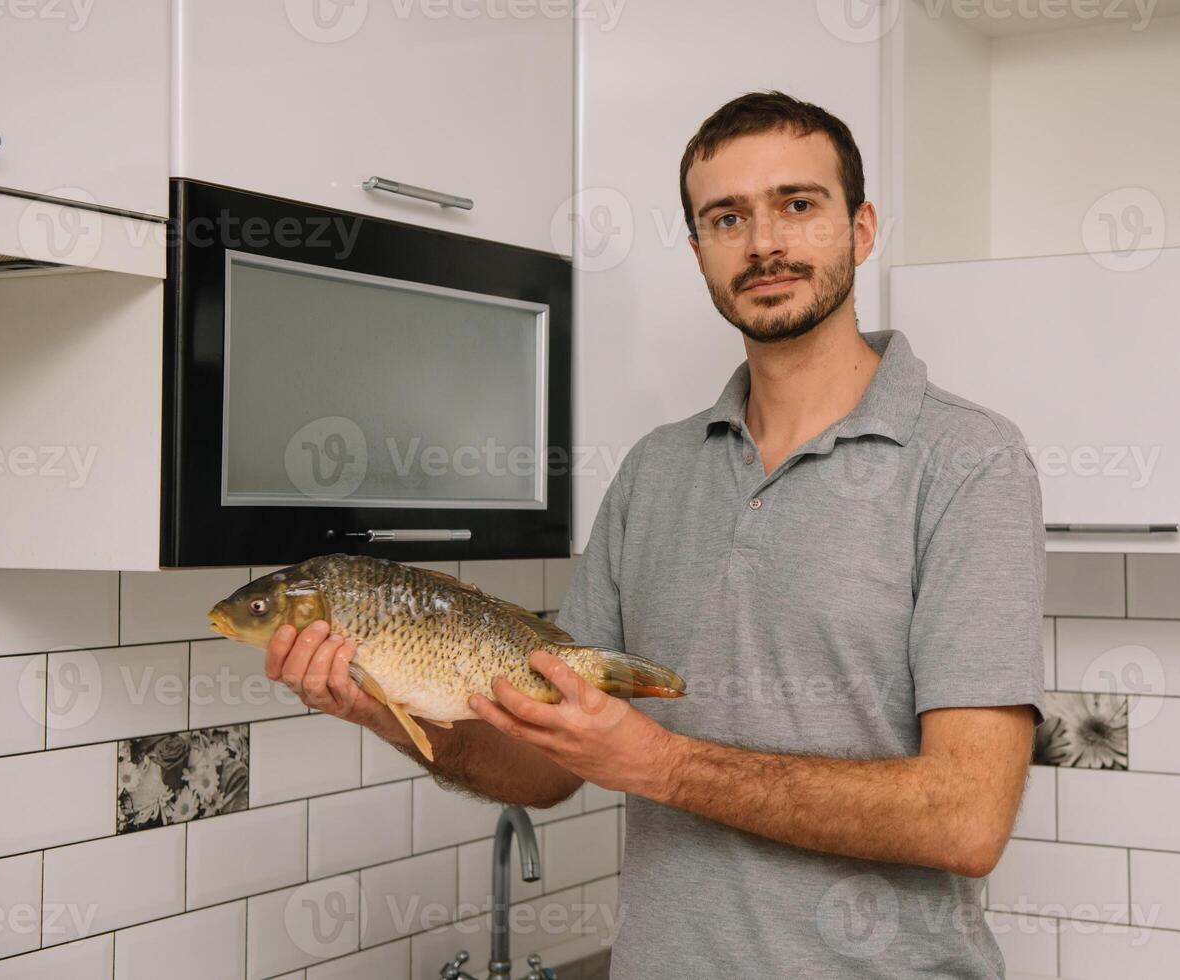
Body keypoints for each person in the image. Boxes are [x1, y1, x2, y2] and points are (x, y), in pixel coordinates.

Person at [265, 89, 1046, 979]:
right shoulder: (654, 472)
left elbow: (966, 818)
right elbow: (548, 765)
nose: (764, 244)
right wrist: (383, 707)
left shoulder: (969, 463)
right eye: (727, 217)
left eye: (798, 205)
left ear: (861, 229)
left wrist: (662, 765)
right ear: (699, 251)